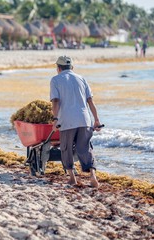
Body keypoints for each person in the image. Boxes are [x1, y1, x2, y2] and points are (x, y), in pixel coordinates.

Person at [50, 55, 102, 188]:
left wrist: (55, 119)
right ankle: (93, 176)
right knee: (85, 148)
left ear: (58, 68)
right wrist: (96, 119)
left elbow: (55, 101)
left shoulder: (55, 80)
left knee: (66, 148)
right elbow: (90, 101)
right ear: (72, 67)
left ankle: (72, 178)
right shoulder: (82, 78)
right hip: (85, 119)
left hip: (67, 120)